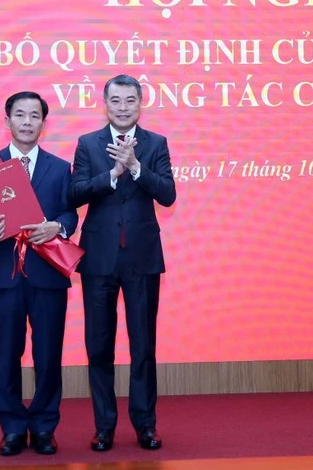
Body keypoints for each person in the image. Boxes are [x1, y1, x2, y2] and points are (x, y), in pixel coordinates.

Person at [68, 74, 176, 451]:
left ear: (140, 103)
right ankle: (104, 427)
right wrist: (112, 174)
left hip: (142, 259)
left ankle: (145, 425)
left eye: (130, 101)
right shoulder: (88, 144)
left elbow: (168, 195)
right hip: (99, 259)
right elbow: (75, 193)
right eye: (116, 101)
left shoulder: (156, 144)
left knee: (143, 346)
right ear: (105, 103)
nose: (123, 107)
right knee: (99, 347)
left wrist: (136, 168)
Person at [0, 91, 78, 456]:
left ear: (43, 124)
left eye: (35, 116)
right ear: (7, 121)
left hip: (47, 276)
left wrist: (57, 228)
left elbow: (70, 215)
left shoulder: (61, 168)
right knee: (6, 355)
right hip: (4, 276)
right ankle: (13, 428)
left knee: (48, 356)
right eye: (20, 115)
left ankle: (45, 427)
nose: (27, 121)